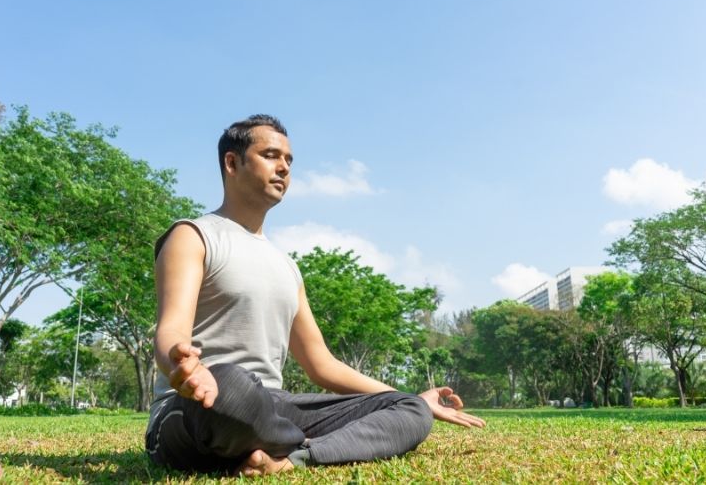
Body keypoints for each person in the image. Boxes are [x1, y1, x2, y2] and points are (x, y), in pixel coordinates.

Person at [145, 114, 485, 477]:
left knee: (410, 410)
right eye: (271, 155)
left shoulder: (287, 266)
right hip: (201, 405)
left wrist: (411, 398)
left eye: (289, 161)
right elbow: (171, 331)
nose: (283, 168)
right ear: (232, 162)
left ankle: (295, 457)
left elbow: (321, 364)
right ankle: (293, 438)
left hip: (272, 407)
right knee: (232, 388)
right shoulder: (193, 235)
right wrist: (183, 366)